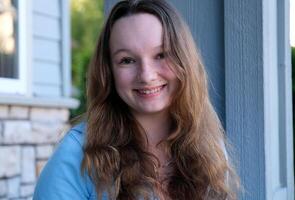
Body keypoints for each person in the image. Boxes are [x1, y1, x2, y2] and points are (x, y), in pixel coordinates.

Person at [33, 0, 240, 199]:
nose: (146, 75)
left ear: (184, 60)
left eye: (161, 55)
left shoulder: (208, 146)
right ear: (108, 71)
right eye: (127, 60)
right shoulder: (76, 156)